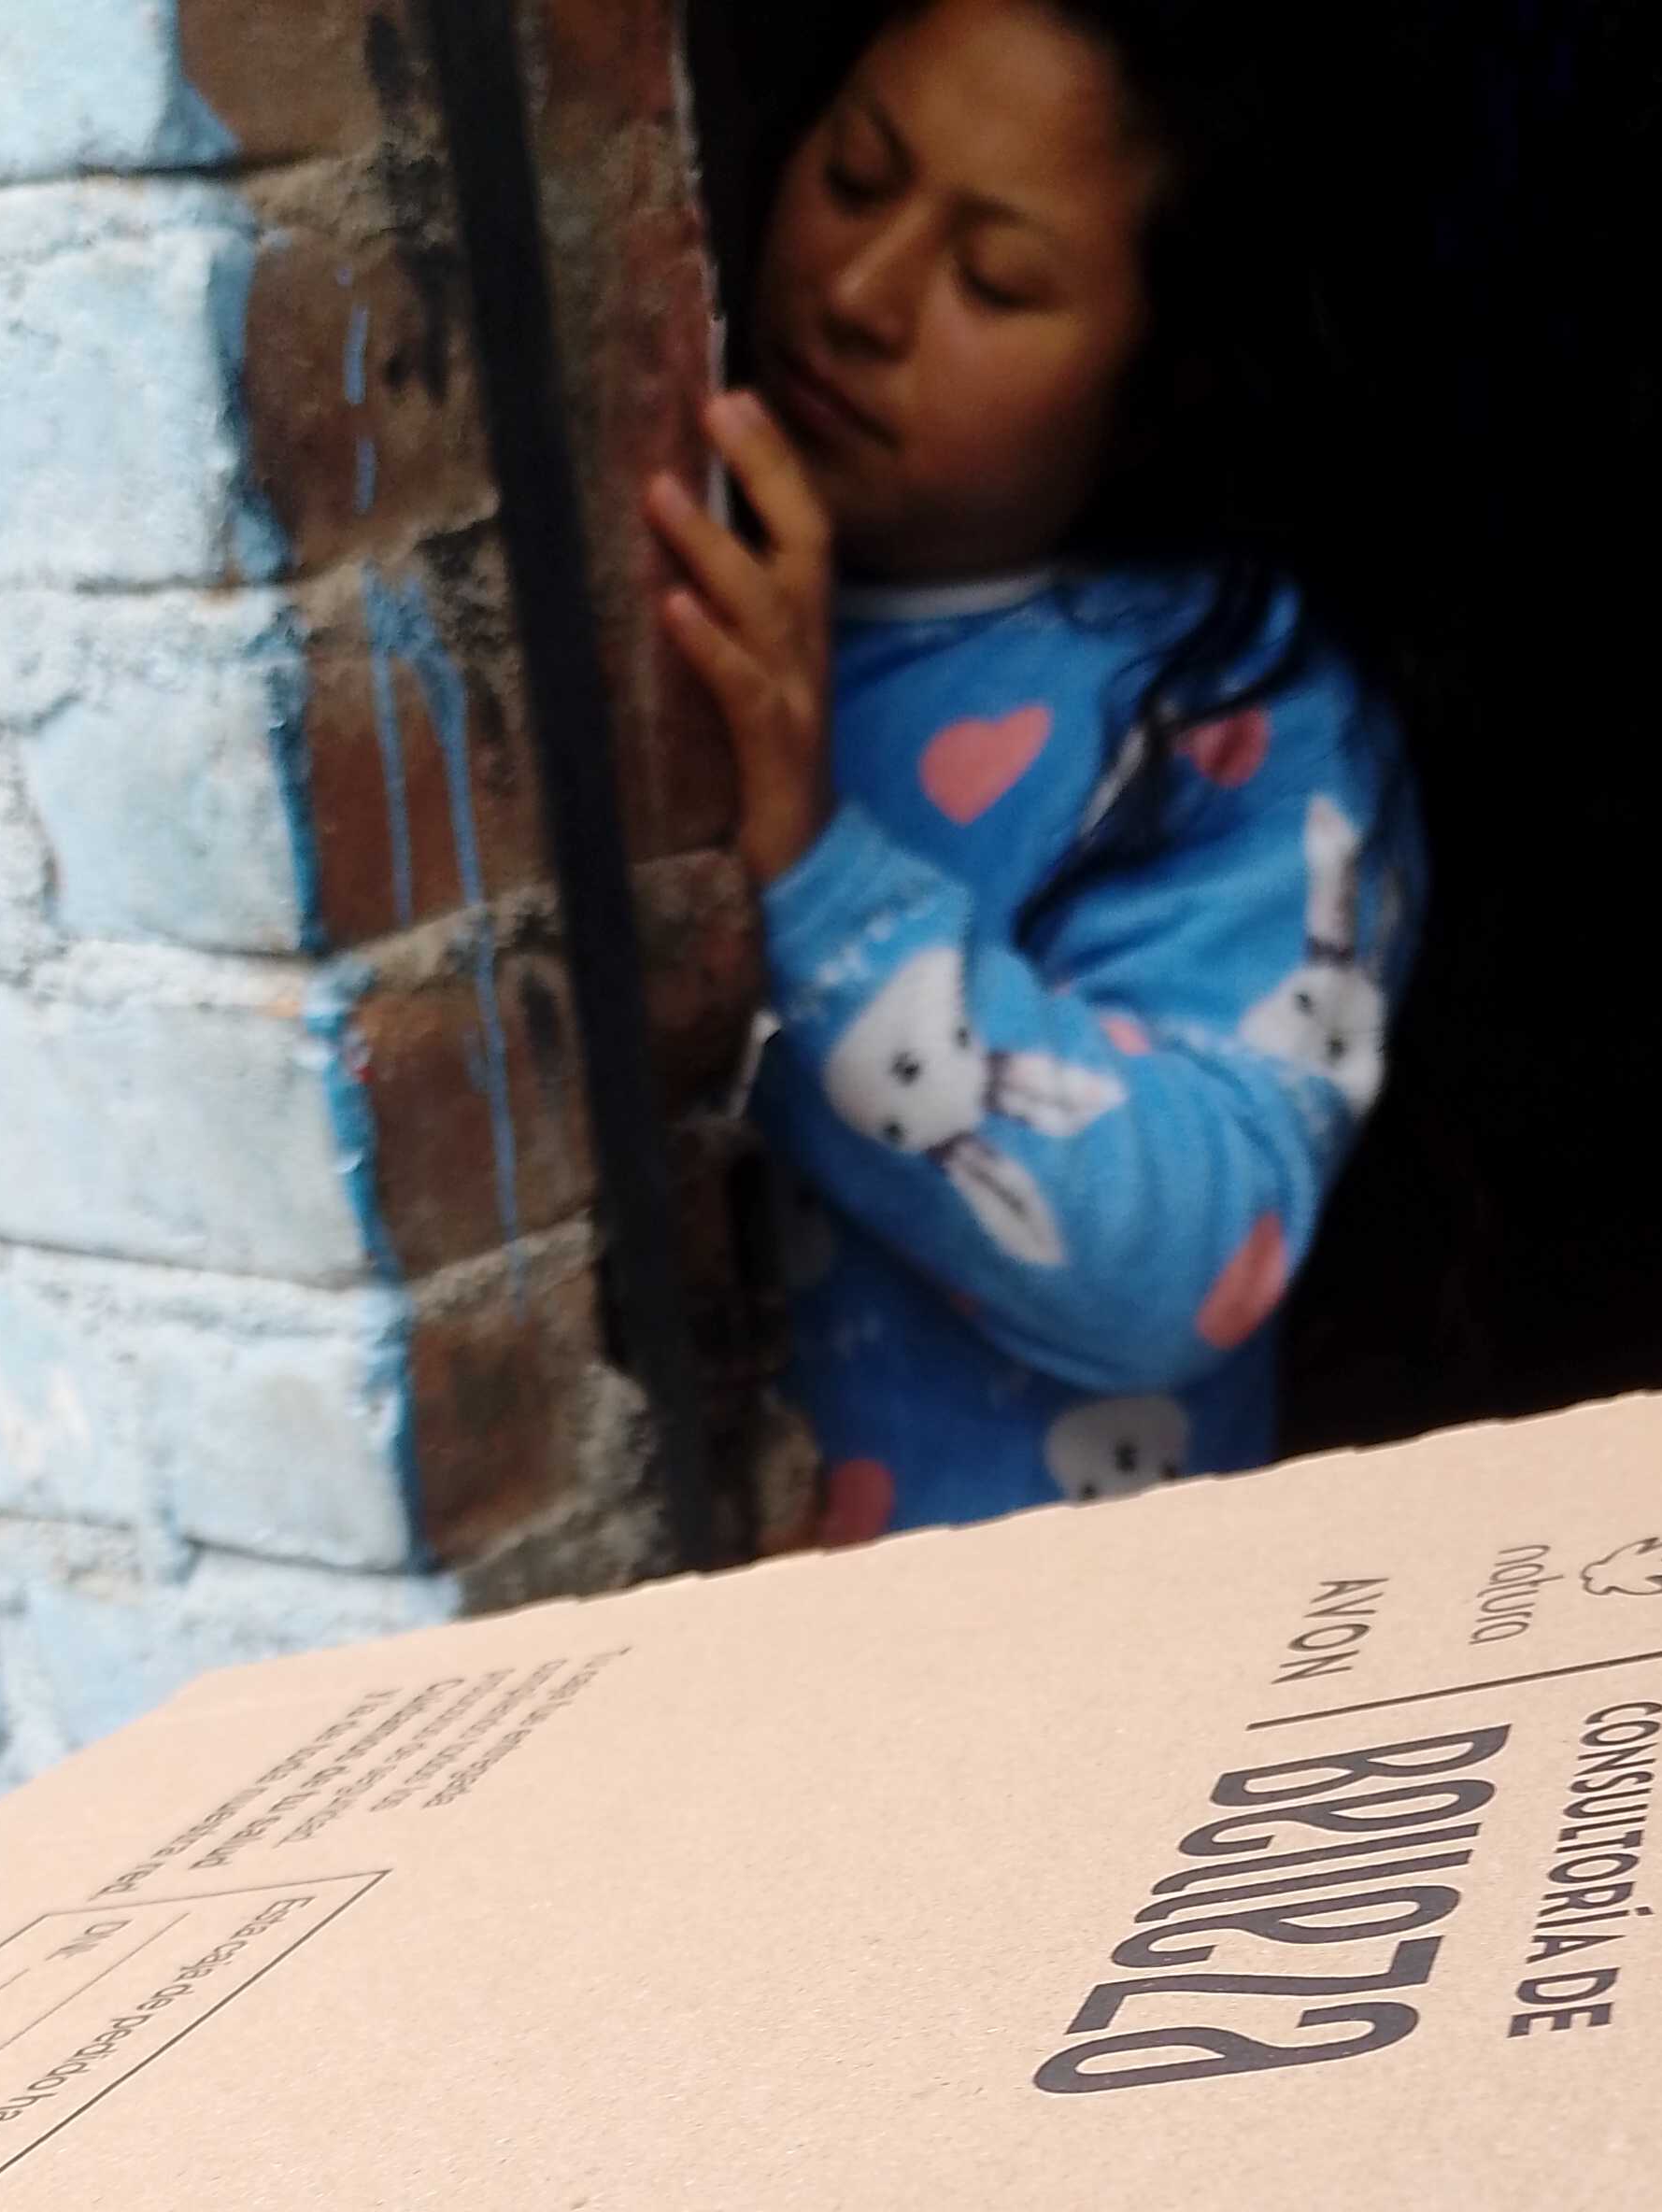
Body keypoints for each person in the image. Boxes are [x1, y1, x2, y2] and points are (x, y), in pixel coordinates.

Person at [646, 0, 1423, 1541]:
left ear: (1159, 375)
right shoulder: (681, 594)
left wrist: (817, 876)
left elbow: (1194, 1257)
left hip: (1047, 1667)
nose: (859, 293)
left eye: (993, 280)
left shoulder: (1228, 712)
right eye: (855, 180)